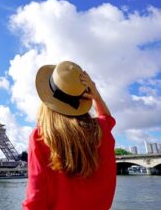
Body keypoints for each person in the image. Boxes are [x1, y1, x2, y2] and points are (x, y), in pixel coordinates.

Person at [22, 61, 116, 210]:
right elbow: (107, 118)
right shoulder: (101, 131)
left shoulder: (41, 137)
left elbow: (35, 201)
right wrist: (97, 97)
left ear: (48, 100)